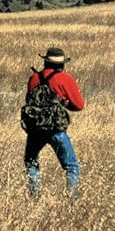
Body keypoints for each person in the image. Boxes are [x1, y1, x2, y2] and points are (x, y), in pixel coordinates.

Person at [23, 47, 85, 197]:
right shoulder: (65, 79)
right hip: (56, 130)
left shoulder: (34, 78)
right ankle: (72, 199)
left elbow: (28, 101)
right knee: (71, 167)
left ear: (45, 61)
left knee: (31, 162)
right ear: (62, 64)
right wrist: (63, 103)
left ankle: (35, 196)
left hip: (35, 130)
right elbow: (79, 105)